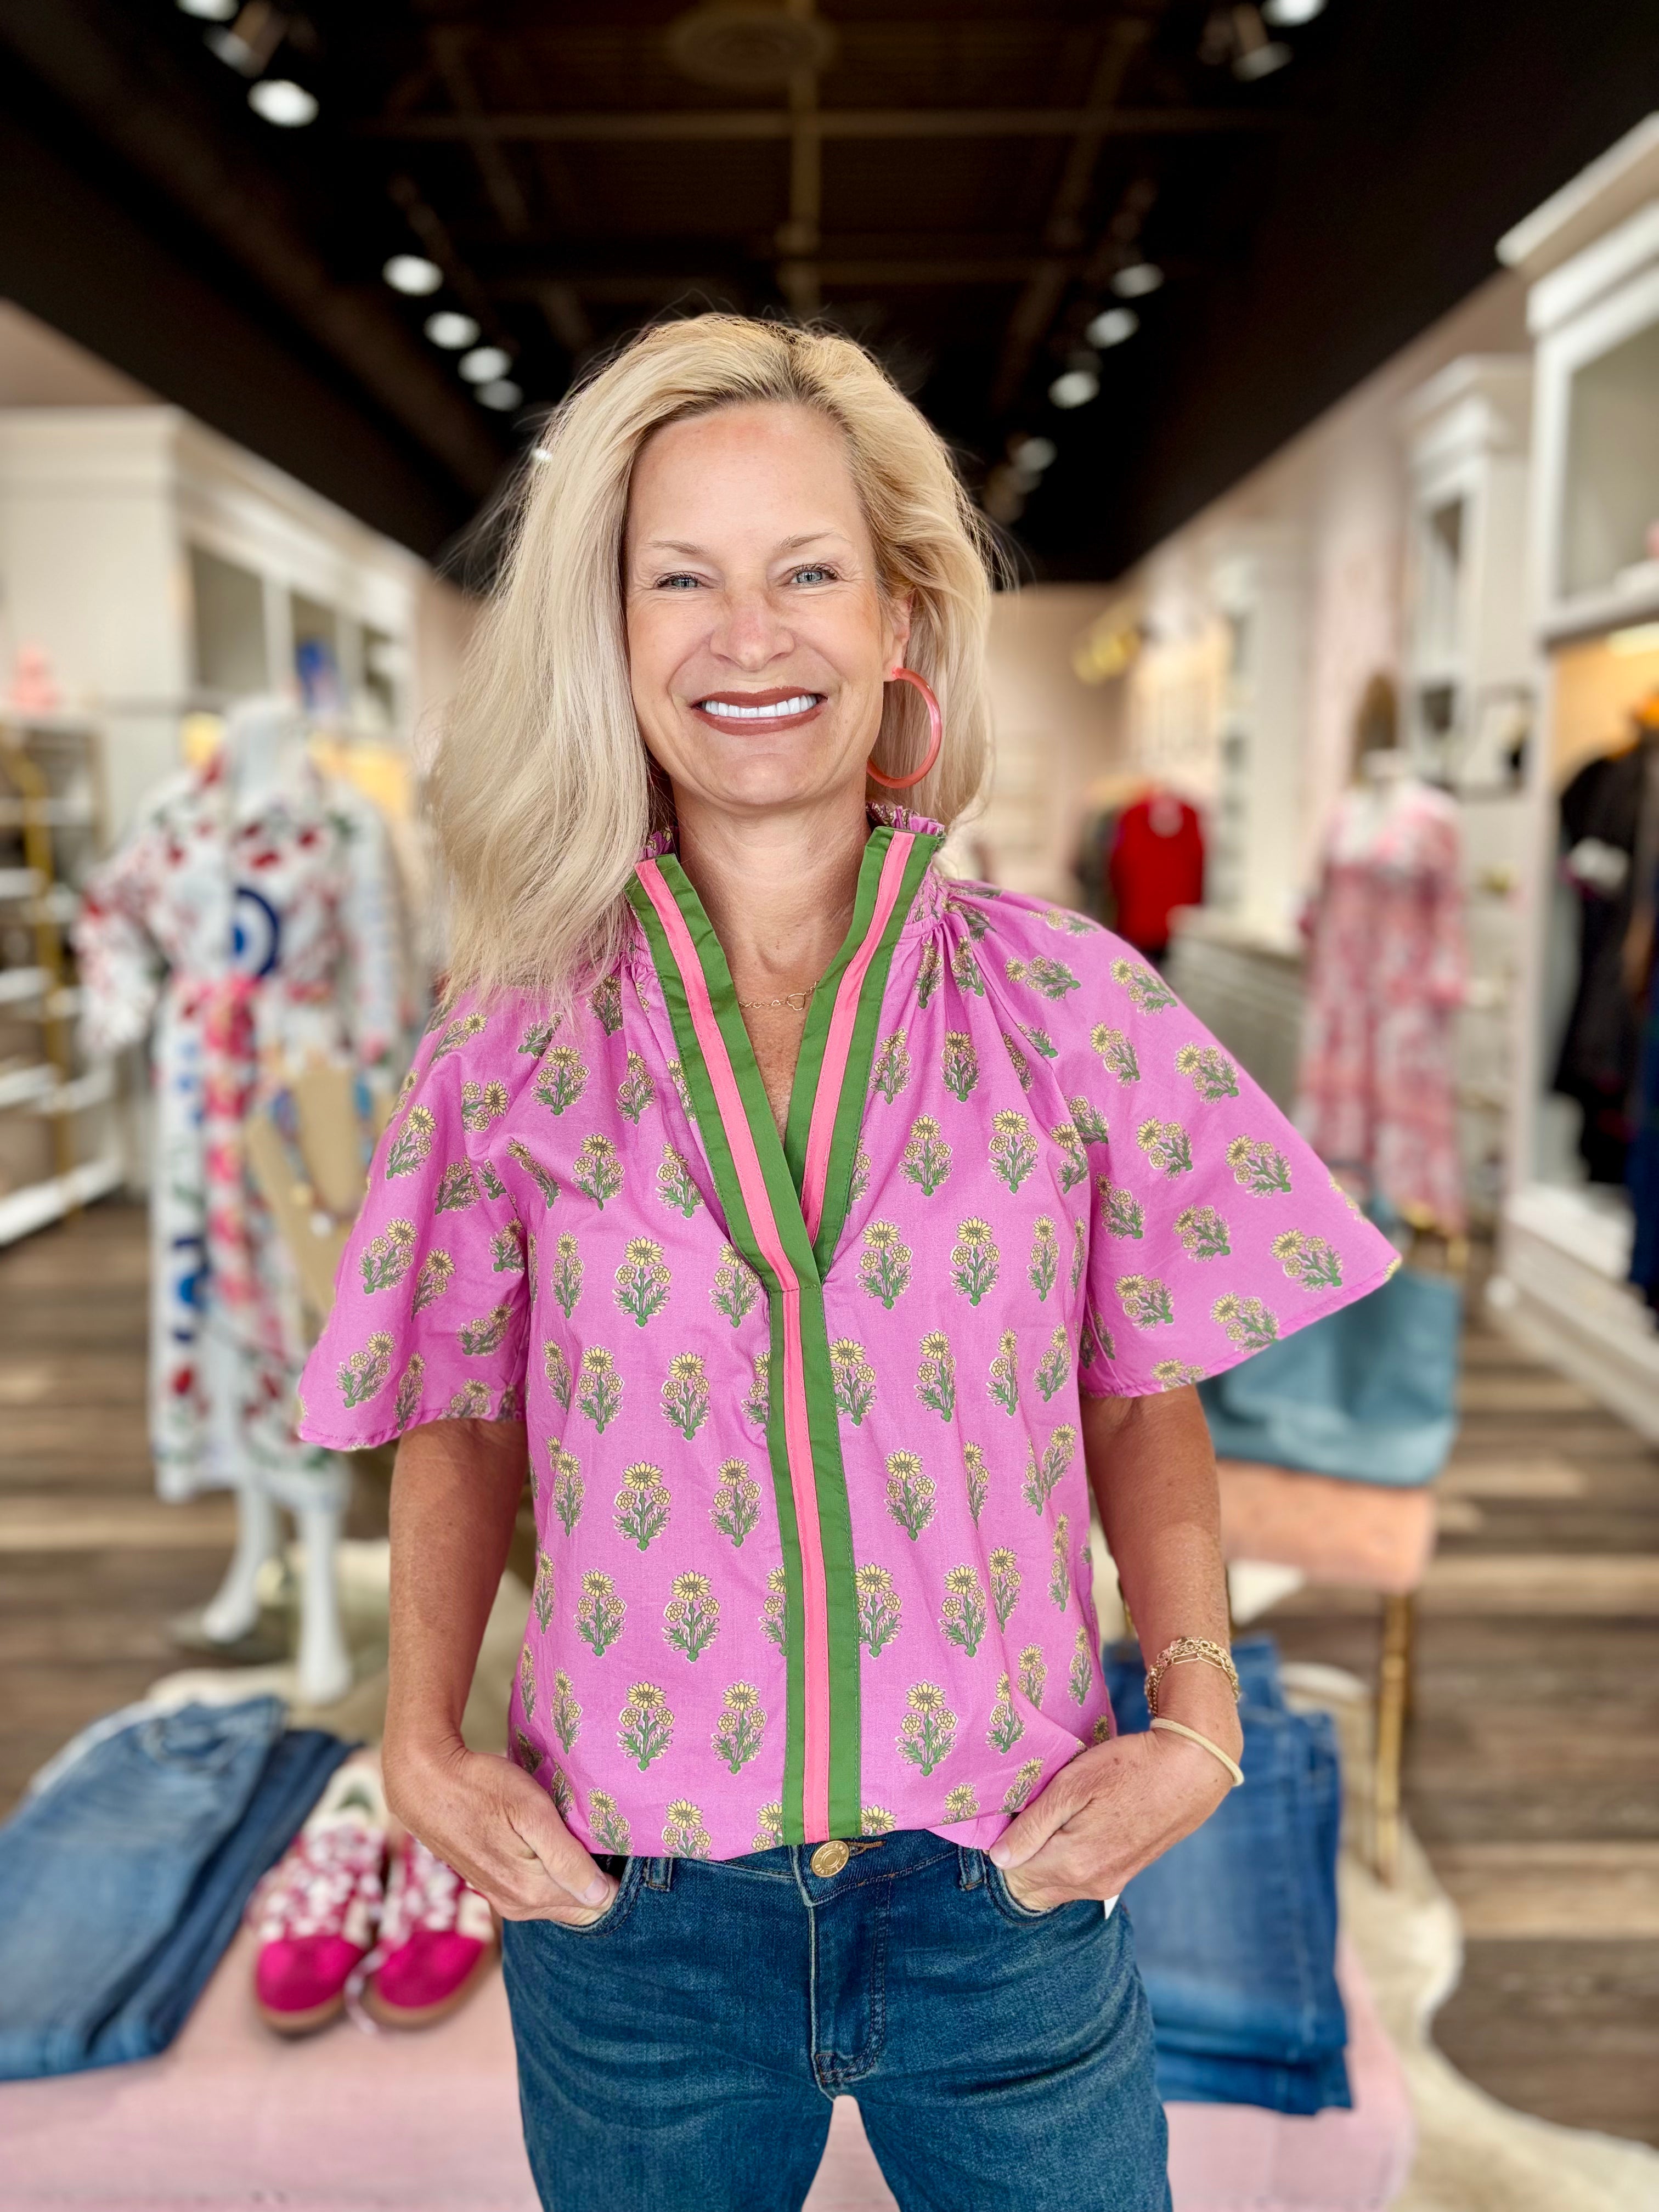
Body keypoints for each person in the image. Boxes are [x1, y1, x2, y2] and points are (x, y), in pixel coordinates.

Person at [299, 315, 1397, 2211]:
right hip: (637, 1915)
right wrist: (417, 1739)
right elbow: (460, 1413)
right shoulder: (511, 1046)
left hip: (1005, 1887)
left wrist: (1199, 1718)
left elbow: (1139, 1384)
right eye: (682, 579)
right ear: (612, 633)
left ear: (898, 619)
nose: (749, 634)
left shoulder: (1066, 1004)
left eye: (807, 569)